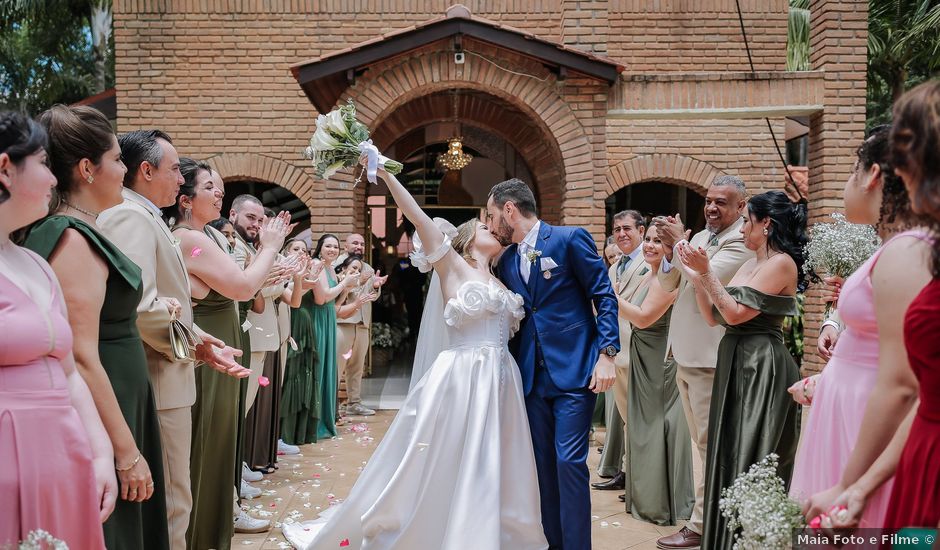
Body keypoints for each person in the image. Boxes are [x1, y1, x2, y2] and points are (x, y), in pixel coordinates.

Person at [283, 164, 548, 550]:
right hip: (462, 376)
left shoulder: (503, 279)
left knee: (497, 459)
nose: (494, 230)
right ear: (468, 241)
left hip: (501, 379)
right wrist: (385, 173)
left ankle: (496, 530)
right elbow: (416, 215)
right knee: (450, 456)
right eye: (487, 228)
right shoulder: (452, 265)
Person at [24, 104, 168, 549]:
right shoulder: (70, 239)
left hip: (124, 394)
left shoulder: (84, 230)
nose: (125, 171)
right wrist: (124, 451)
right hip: (108, 406)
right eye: (118, 160)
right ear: (87, 169)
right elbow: (81, 355)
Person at [98, 130, 245, 550]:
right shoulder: (130, 216)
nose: (181, 180)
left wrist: (200, 339)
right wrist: (190, 343)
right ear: (145, 171)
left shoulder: (148, 217)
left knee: (176, 498)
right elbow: (142, 307)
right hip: (159, 381)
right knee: (172, 503)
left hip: (170, 375)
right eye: (175, 169)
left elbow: (169, 300)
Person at [787, 126, 934, 528]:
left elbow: (907, 379)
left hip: (867, 426)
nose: (847, 184)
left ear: (872, 175)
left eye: (852, 170)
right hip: (850, 410)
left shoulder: (908, 251)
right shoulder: (894, 246)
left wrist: (852, 483)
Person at [0, 111, 115, 549]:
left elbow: (68, 372)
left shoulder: (33, 263)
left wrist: (100, 451)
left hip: (63, 451)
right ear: (6, 169)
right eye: (44, 163)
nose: (53, 179)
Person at [489, 178, 620, 550]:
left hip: (575, 370)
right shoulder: (508, 261)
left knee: (569, 463)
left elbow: (603, 295)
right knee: (543, 469)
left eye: (492, 214)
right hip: (531, 378)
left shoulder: (568, 239)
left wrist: (606, 354)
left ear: (509, 210)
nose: (491, 222)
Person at [166, 159, 289, 547]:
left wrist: (273, 267)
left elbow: (248, 284)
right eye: (209, 188)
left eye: (218, 188)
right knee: (207, 442)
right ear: (185, 200)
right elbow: (240, 288)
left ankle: (221, 520)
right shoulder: (188, 238)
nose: (219, 193)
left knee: (223, 439)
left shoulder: (211, 237)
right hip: (209, 348)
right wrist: (270, 247)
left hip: (224, 340)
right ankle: (201, 534)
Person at [678, 190, 804, 550]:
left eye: (748, 220)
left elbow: (735, 313)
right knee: (728, 451)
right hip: (734, 356)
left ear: (767, 224)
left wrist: (706, 274)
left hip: (761, 364)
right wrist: (697, 276)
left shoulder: (781, 263)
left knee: (754, 452)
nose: (743, 227)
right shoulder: (749, 263)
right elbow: (713, 315)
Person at [652, 176, 754, 550]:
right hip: (685, 352)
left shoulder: (742, 240)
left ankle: (701, 525)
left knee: (708, 445)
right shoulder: (698, 240)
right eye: (709, 201)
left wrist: (679, 241)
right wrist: (669, 250)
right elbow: (674, 279)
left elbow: (706, 277)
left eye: (721, 202)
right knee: (701, 442)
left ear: (741, 207)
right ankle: (712, 517)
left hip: (710, 357)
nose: (711, 208)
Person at [616, 224, 694, 525]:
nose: (649, 245)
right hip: (642, 355)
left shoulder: (667, 277)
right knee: (641, 427)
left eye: (658, 241)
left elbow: (644, 317)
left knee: (658, 428)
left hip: (659, 360)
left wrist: (606, 296)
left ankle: (662, 503)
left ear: (670, 248)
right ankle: (646, 497)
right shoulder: (644, 273)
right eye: (647, 239)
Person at [593, 211, 647, 504]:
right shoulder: (615, 268)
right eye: (617, 229)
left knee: (637, 420)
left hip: (638, 349)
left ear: (641, 230)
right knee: (626, 419)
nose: (621, 234)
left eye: (627, 228)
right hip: (617, 351)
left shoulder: (646, 262)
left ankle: (639, 479)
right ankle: (626, 472)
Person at [310, 233, 358, 439]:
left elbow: (335, 303)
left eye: (335, 247)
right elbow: (322, 298)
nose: (332, 250)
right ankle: (316, 422)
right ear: (319, 248)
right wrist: (344, 282)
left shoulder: (330, 268)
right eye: (328, 246)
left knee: (329, 369)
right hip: (318, 319)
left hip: (329, 318)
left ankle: (327, 419)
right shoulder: (317, 265)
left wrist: (346, 289)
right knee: (319, 370)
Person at [335, 233, 388, 417]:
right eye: (355, 243)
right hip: (343, 322)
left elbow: (372, 297)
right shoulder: (337, 264)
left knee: (357, 367)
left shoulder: (369, 268)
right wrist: (360, 281)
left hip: (362, 323)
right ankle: (331, 407)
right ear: (345, 245)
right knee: (337, 366)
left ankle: (354, 403)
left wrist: (375, 286)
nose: (359, 246)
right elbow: (339, 290)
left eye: (362, 244)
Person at [279, 238, 324, 446]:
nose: (300, 252)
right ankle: (283, 433)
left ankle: (299, 431)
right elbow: (293, 298)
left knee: (303, 374)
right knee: (288, 377)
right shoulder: (280, 270)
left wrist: (310, 276)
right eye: (295, 249)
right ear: (286, 251)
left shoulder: (305, 272)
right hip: (289, 321)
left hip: (303, 323)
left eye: (304, 250)